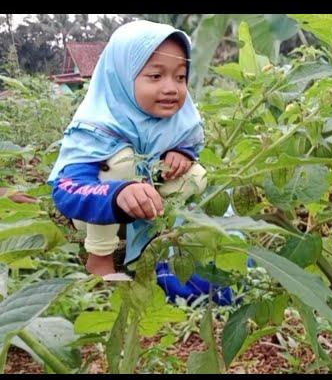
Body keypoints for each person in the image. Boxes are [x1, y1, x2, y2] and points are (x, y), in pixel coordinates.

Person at [48, 20, 221, 302]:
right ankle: (100, 260)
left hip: (146, 204)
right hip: (96, 210)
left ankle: (158, 244)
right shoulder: (97, 124)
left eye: (180, 77)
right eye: (155, 76)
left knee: (196, 175)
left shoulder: (177, 122)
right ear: (122, 77)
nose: (171, 88)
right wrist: (117, 195)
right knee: (121, 162)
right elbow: (67, 190)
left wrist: (182, 154)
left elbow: (189, 145)